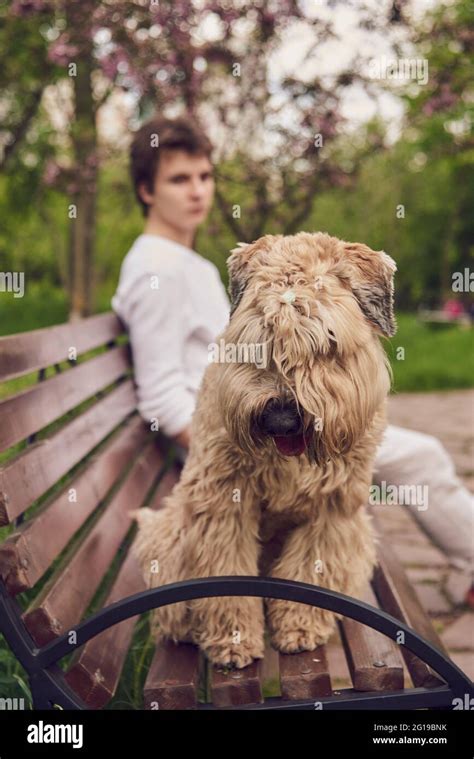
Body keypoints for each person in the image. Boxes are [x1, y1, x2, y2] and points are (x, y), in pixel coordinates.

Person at [112, 114, 474, 606]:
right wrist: (239, 453)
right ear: (146, 191)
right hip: (237, 442)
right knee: (424, 457)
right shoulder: (157, 270)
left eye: (204, 176)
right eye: (179, 179)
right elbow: (160, 398)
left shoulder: (185, 263)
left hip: (266, 417)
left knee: (405, 456)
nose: (197, 191)